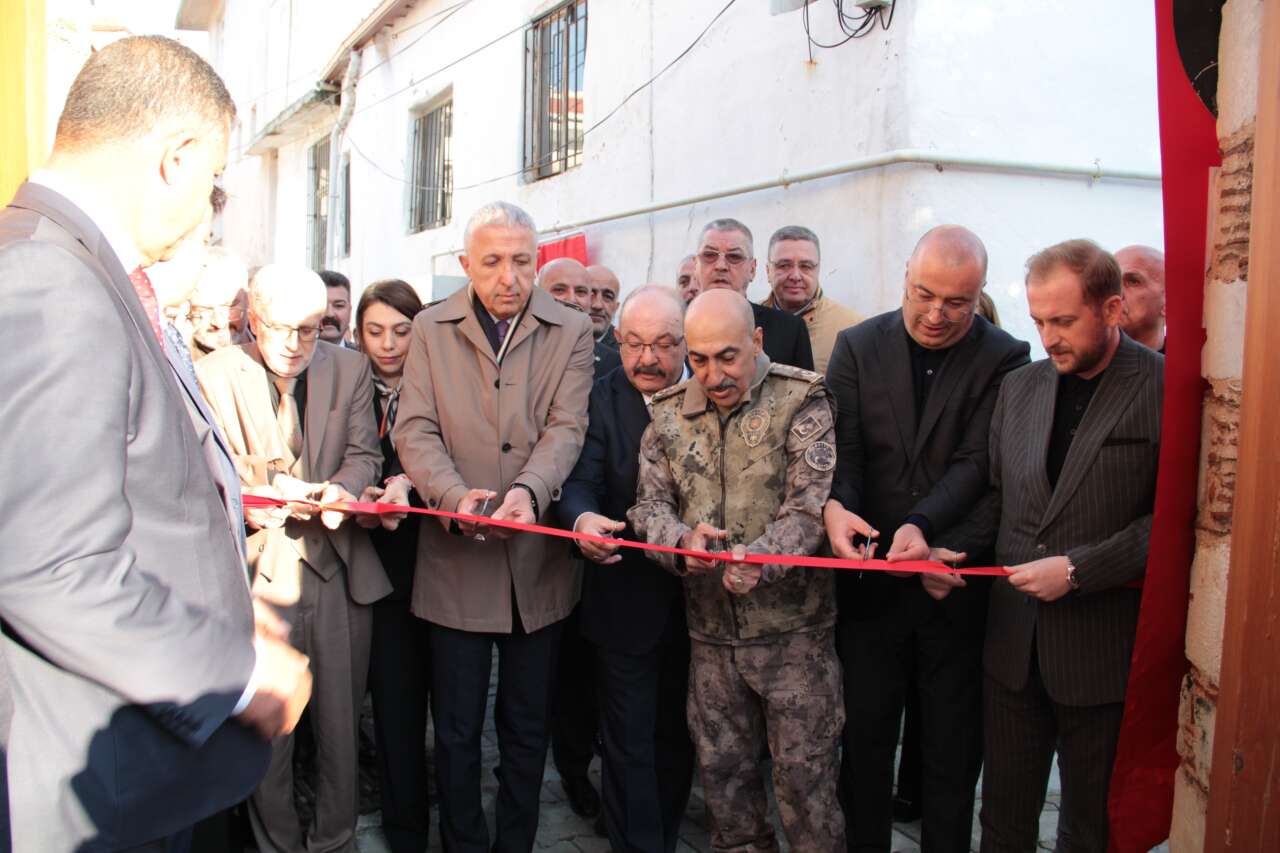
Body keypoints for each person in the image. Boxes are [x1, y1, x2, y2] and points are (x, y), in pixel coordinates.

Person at [0, 35, 309, 851]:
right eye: (214, 181)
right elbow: (48, 564)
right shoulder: (49, 278)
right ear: (177, 157)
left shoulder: (64, 259)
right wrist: (233, 673)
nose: (210, 206)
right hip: (92, 784)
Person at [939, 240, 1162, 853]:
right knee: (1004, 821)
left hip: (1099, 653)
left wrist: (1078, 569)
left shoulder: (1165, 388)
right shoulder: (1020, 388)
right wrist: (949, 551)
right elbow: (998, 501)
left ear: (1113, 309)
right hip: (1011, 650)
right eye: (1039, 321)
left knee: (1088, 828)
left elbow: (1171, 522)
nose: (1048, 337)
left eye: (1063, 321)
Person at [392, 201, 594, 852]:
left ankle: (516, 842)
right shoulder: (430, 328)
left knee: (526, 723)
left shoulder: (571, 328)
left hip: (537, 561)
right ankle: (462, 842)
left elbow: (568, 427)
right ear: (465, 265)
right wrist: (452, 496)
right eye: (492, 262)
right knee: (453, 727)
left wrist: (532, 492)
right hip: (455, 561)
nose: (509, 277)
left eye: (521, 261)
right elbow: (414, 427)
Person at [824, 225, 1030, 853]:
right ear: (905, 278)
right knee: (864, 746)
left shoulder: (1005, 355)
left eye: (957, 303)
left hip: (952, 584)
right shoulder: (856, 346)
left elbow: (980, 461)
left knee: (950, 751)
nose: (937, 314)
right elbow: (846, 451)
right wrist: (839, 510)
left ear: (981, 295)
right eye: (925, 295)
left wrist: (926, 530)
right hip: (869, 585)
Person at [629, 289, 844, 851]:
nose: (713, 374)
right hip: (710, 639)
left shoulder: (802, 401)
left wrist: (760, 562)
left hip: (794, 639)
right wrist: (681, 543)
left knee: (807, 790)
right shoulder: (668, 413)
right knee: (726, 788)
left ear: (757, 341)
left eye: (727, 356)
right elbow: (647, 509)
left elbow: (809, 509)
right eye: (697, 359)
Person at [196, 264, 391, 853]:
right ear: (251, 319)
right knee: (267, 735)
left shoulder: (350, 366)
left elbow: (365, 455)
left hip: (338, 568)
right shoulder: (211, 374)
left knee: (340, 731)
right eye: (280, 329)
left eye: (310, 330)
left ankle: (336, 841)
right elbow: (212, 467)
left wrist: (345, 490)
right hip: (257, 577)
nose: (295, 345)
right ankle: (275, 844)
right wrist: (263, 493)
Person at [558, 285, 696, 853]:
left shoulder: (712, 392)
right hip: (622, 597)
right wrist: (583, 519)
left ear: (687, 344)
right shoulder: (597, 397)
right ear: (617, 339)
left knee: (680, 735)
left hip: (699, 604)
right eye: (635, 343)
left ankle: (664, 833)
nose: (648, 359)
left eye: (664, 345)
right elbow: (579, 481)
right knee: (627, 739)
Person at [352, 279, 433, 853]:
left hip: (439, 561)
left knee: (451, 710)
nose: (388, 345)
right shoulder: (349, 390)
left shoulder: (440, 389)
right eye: (375, 331)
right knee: (395, 704)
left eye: (401, 331)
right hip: (377, 570)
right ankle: (405, 827)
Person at [694, 218, 814, 370]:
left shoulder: (789, 330)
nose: (721, 266)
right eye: (710, 255)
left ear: (752, 269)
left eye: (734, 257)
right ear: (695, 265)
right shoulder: (674, 329)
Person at [761, 225, 864, 374]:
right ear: (768, 271)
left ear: (818, 269)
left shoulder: (853, 329)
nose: (795, 276)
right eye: (784, 265)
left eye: (806, 266)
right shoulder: (747, 320)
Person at [541, 256, 622, 381]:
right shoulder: (515, 347)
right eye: (559, 290)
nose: (597, 305)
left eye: (580, 291)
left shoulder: (618, 363)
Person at [186, 246, 252, 360]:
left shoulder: (278, 349)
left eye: (230, 306)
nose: (219, 323)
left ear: (249, 300)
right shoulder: (176, 365)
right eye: (204, 310)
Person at [1115, 244, 1166, 352]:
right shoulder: (1079, 364)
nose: (1116, 292)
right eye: (1111, 282)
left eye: (1133, 281)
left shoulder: (1191, 366)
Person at [587, 263, 622, 349]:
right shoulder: (555, 339)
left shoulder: (625, 353)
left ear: (616, 308)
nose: (597, 305)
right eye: (591, 294)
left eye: (607, 296)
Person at [319, 269, 356, 347]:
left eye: (339, 305)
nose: (330, 314)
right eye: (322, 305)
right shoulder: (292, 356)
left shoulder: (364, 358)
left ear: (350, 311)